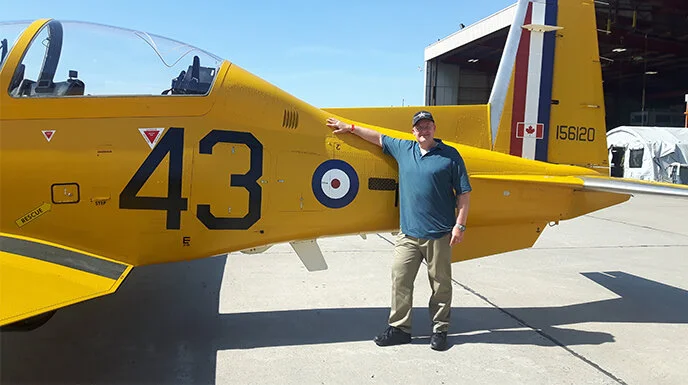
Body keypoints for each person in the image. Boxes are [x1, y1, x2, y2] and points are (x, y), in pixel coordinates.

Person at [326, 111, 471, 351]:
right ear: (413, 131)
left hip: (439, 233)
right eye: (419, 127)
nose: (423, 131)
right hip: (408, 234)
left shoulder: (450, 156)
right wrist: (349, 127)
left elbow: (463, 193)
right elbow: (377, 137)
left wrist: (460, 225)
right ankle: (400, 328)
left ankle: (440, 329)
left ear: (434, 128)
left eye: (427, 126)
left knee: (441, 284)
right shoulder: (405, 149)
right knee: (400, 279)